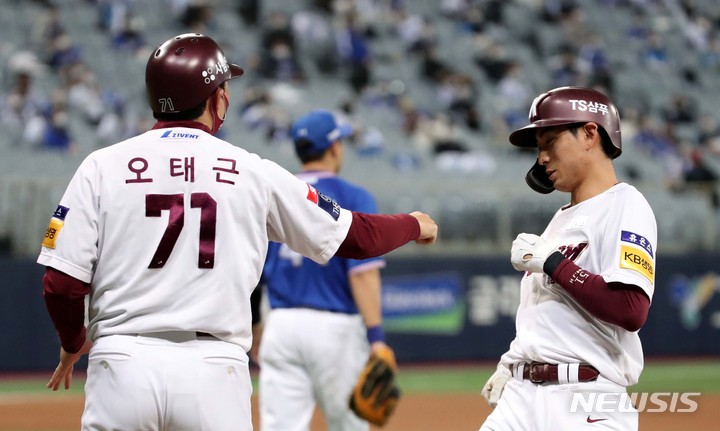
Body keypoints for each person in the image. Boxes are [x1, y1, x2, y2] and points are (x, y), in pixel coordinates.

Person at [37, 33, 438, 431]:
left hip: (120, 363)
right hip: (213, 370)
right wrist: (413, 223)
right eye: (224, 85)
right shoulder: (250, 170)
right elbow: (356, 236)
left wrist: (73, 342)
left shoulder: (101, 166)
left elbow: (60, 282)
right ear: (216, 98)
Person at [479, 86, 657, 431]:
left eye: (550, 142)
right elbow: (549, 312)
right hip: (522, 396)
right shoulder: (561, 219)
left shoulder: (625, 204)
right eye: (539, 148)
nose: (542, 158)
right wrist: (513, 361)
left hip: (586, 398)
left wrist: (554, 263)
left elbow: (630, 309)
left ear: (590, 133)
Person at [256, 109, 388, 431]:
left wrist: (258, 329)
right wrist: (377, 338)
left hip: (281, 324)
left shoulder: (276, 192)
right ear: (334, 147)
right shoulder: (353, 195)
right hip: (334, 328)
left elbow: (255, 273)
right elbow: (363, 274)